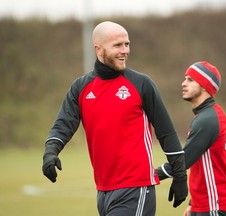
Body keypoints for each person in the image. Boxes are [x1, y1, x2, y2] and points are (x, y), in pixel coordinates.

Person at [42, 21, 188, 216]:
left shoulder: (141, 84)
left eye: (127, 44)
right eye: (117, 45)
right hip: (103, 191)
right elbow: (63, 124)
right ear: (99, 49)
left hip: (135, 188)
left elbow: (166, 132)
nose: (125, 50)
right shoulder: (80, 87)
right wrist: (50, 152)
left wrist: (180, 176)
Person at [156, 61, 226, 216]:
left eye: (190, 80)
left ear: (205, 86)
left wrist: (150, 175)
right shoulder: (209, 115)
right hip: (207, 204)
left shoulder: (208, 119)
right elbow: (205, 164)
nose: (183, 84)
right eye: (185, 79)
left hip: (214, 206)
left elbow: (183, 160)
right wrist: (195, 203)